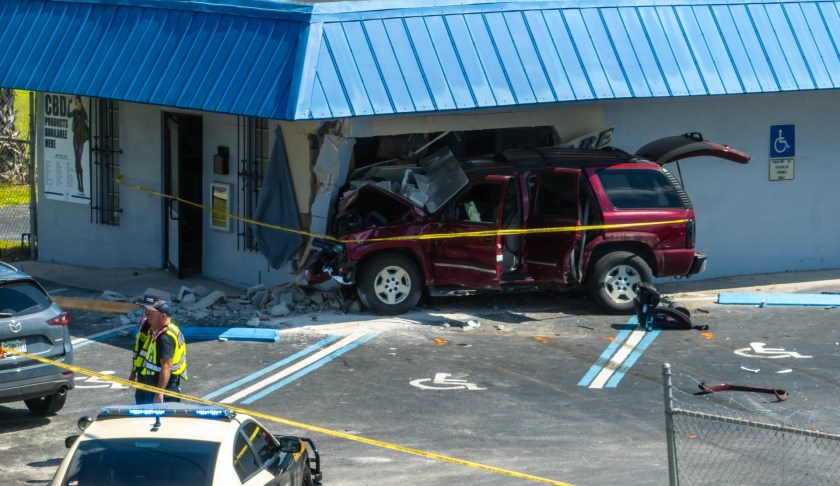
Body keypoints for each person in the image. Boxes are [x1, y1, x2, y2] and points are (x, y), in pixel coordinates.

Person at [133, 295, 187, 404]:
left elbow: (166, 366)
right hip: (153, 385)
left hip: (163, 389)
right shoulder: (160, 330)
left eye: (151, 315)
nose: (148, 317)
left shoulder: (165, 338)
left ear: (162, 316)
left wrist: (159, 393)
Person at [128, 304, 153, 404]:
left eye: (150, 308)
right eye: (145, 308)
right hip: (142, 373)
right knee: (140, 403)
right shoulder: (143, 323)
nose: (147, 310)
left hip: (153, 376)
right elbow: (138, 351)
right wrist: (133, 372)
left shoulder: (160, 328)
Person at [69, 95, 89, 193]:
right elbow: (68, 115)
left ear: (81, 102)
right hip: (75, 138)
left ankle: (81, 183)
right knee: (76, 160)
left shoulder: (83, 112)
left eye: (78, 102)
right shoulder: (75, 112)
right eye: (76, 102)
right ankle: (79, 183)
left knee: (78, 160)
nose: (77, 104)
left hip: (81, 139)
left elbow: (87, 122)